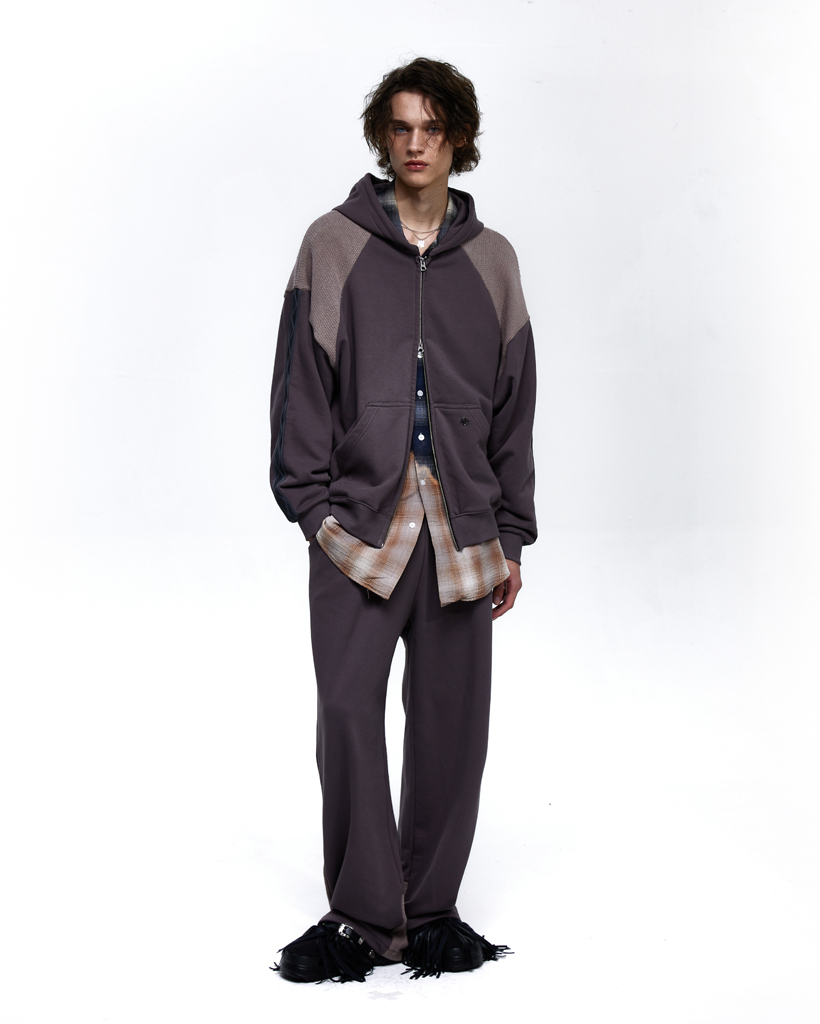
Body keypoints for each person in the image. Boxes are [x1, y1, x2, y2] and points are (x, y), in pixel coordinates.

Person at [268, 56, 537, 983]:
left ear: (459, 137)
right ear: (383, 137)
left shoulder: (494, 260)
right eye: (401, 126)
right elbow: (300, 382)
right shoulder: (333, 243)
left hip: (463, 527)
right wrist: (311, 508)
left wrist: (513, 533)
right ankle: (362, 914)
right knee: (347, 711)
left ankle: (428, 912)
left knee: (451, 726)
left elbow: (515, 404)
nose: (416, 143)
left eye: (432, 127)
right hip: (357, 524)